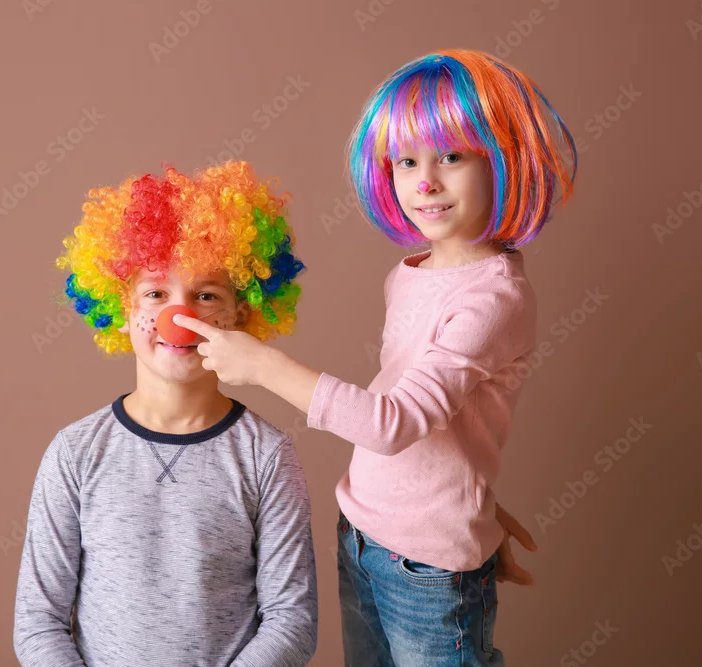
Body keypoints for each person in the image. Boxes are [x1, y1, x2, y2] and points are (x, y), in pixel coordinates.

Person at [174, 49, 577, 666]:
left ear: (503, 161)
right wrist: (471, 506)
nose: (425, 182)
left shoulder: (494, 299)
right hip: (363, 537)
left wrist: (263, 366)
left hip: (427, 572)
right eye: (407, 161)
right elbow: (443, 422)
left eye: (451, 157)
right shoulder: (410, 274)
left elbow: (392, 424)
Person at [13, 161, 317, 667]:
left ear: (241, 313)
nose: (180, 318)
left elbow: (292, 622)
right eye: (156, 294)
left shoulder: (266, 456)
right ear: (120, 310)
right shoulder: (75, 453)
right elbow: (37, 622)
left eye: (206, 295)